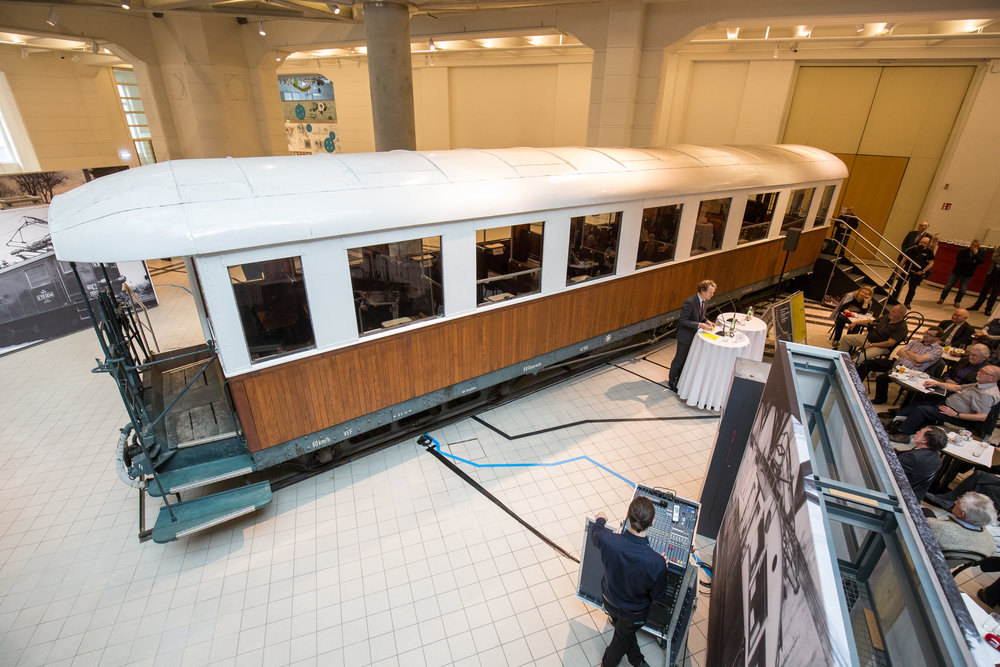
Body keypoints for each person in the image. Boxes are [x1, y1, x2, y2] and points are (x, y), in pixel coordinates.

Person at [592, 497, 669, 667]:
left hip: (609, 599)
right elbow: (657, 596)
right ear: (653, 522)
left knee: (624, 633)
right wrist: (661, 568)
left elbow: (595, 533)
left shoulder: (608, 540)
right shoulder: (656, 562)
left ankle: (637, 661)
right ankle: (608, 663)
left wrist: (601, 519)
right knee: (618, 643)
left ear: (628, 516)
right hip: (633, 613)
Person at [884, 365, 1000, 442]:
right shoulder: (980, 384)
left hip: (958, 416)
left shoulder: (986, 394)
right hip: (948, 405)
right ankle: (893, 420)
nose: (979, 373)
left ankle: (904, 435)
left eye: (984, 373)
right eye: (981, 370)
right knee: (919, 402)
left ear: (993, 378)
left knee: (921, 410)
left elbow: (982, 417)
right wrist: (937, 384)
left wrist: (955, 415)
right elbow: (957, 387)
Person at [861, 326, 942, 404]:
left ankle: (880, 399)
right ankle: (856, 384)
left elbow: (920, 360)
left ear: (937, 339)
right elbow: (899, 352)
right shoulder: (916, 341)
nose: (925, 335)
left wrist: (908, 352)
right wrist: (915, 359)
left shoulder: (937, 350)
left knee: (881, 378)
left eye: (930, 335)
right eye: (926, 332)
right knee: (868, 363)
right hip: (897, 364)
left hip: (910, 372)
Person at [668, 279, 715, 392]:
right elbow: (683, 321)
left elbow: (700, 316)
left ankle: (680, 379)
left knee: (687, 359)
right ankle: (672, 381)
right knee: (679, 359)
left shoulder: (704, 300)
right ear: (702, 291)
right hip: (685, 336)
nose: (712, 295)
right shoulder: (690, 302)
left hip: (694, 336)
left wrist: (707, 321)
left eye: (713, 292)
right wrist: (700, 325)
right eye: (710, 292)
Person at [926, 492, 997, 559]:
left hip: (926, 557)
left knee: (925, 511)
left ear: (961, 513)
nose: (955, 502)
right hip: (945, 563)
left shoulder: (937, 527)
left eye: (958, 502)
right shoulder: (991, 545)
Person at [894, 425, 947, 501]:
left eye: (920, 432)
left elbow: (889, 467)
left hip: (899, 492)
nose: (917, 432)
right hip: (915, 492)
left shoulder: (914, 457)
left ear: (924, 441)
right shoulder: (937, 458)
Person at [837, 304, 908, 360]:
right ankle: (839, 359)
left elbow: (890, 343)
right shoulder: (887, 317)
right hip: (869, 338)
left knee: (860, 358)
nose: (890, 313)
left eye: (893, 312)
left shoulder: (902, 327)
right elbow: (872, 321)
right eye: (891, 310)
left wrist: (871, 345)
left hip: (881, 347)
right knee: (846, 339)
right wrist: (856, 322)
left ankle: (851, 372)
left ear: (901, 315)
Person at [938, 240, 985, 307]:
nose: (975, 247)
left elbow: (981, 262)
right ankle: (942, 298)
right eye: (974, 245)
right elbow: (960, 260)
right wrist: (973, 261)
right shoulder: (963, 251)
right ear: (971, 245)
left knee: (962, 289)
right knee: (948, 286)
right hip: (957, 271)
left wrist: (975, 255)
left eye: (977, 246)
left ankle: (957, 301)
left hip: (968, 274)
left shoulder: (980, 253)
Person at [900, 235, 935, 309]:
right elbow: (903, 260)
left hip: (917, 273)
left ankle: (907, 303)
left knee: (912, 289)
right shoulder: (912, 249)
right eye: (921, 242)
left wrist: (923, 271)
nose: (922, 244)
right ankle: (893, 298)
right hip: (907, 270)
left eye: (925, 243)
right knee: (899, 286)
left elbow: (931, 263)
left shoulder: (929, 252)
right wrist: (900, 271)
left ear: (928, 244)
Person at [972, 246, 1000, 315]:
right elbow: (994, 257)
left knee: (994, 293)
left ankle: (988, 309)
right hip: (992, 271)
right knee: (984, 290)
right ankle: (976, 306)